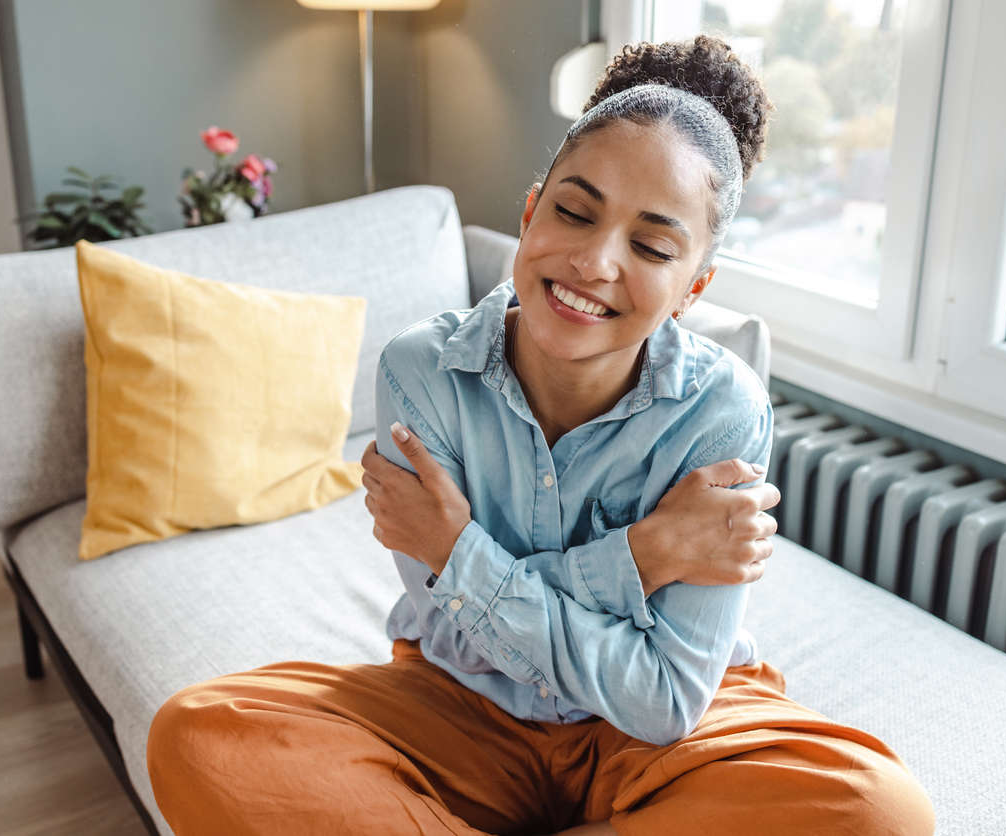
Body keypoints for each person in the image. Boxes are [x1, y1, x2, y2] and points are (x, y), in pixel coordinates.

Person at [146, 36, 937, 835]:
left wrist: (460, 552)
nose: (594, 261)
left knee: (877, 811)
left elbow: (663, 701)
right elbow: (459, 635)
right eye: (573, 211)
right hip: (459, 703)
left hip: (654, 741)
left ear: (692, 286)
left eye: (652, 246)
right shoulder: (422, 371)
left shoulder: (722, 409)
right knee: (203, 733)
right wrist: (646, 556)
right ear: (529, 214)